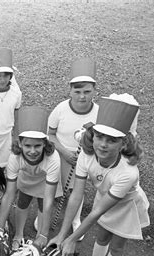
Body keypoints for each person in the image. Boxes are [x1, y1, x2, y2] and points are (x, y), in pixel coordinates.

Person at [48, 96, 150, 256]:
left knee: (117, 244)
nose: (103, 144)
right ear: (92, 135)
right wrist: (62, 234)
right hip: (104, 197)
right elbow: (76, 195)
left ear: (124, 143)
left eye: (112, 140)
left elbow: (96, 213)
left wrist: (72, 239)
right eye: (99, 137)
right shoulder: (87, 155)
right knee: (101, 237)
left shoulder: (128, 173)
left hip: (127, 206)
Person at [0, 106, 61, 251]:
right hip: (26, 178)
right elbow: (9, 194)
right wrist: (0, 228)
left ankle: (39, 237)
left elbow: (49, 199)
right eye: (27, 145)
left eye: (37, 145)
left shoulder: (53, 159)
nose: (32, 151)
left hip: (45, 182)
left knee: (42, 203)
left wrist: (45, 234)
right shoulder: (14, 157)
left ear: (45, 143)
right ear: (20, 143)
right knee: (23, 201)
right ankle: (18, 235)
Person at [48, 58, 99, 237]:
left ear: (94, 90)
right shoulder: (61, 109)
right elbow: (50, 135)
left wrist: (88, 152)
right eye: (77, 91)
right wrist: (65, 153)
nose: (82, 96)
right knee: (56, 187)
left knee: (76, 190)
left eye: (87, 91)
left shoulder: (98, 112)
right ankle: (46, 215)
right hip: (60, 155)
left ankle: (75, 219)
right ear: (70, 90)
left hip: (85, 158)